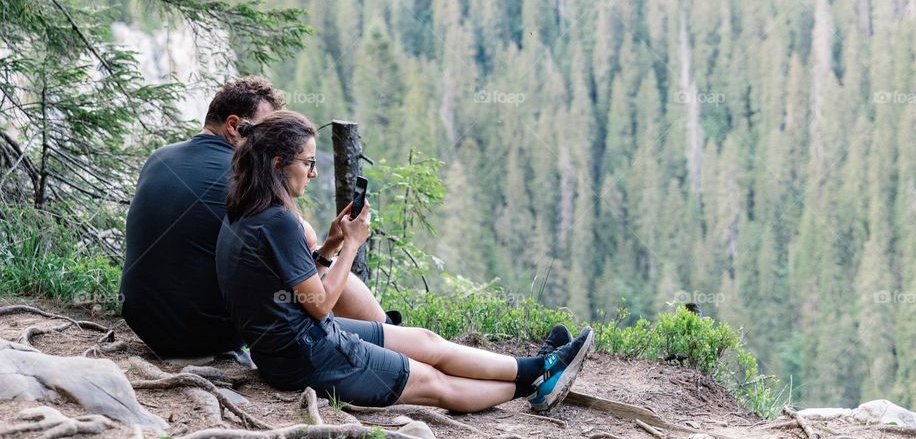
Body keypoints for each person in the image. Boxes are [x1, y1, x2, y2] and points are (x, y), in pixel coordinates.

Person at [215, 110, 594, 411]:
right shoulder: (278, 221)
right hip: (308, 354)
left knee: (425, 341)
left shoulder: (245, 210)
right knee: (433, 381)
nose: (313, 173)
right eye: (308, 163)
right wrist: (352, 245)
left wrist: (330, 246)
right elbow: (318, 305)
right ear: (279, 163)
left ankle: (535, 366)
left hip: (295, 344)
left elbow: (298, 292)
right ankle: (535, 381)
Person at [120, 76, 393, 359]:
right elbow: (305, 238)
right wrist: (341, 245)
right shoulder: (245, 178)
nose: (271, 143)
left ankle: (387, 342)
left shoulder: (160, 157)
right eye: (262, 132)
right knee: (333, 277)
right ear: (234, 126)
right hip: (206, 333)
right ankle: (392, 341)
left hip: (145, 323)